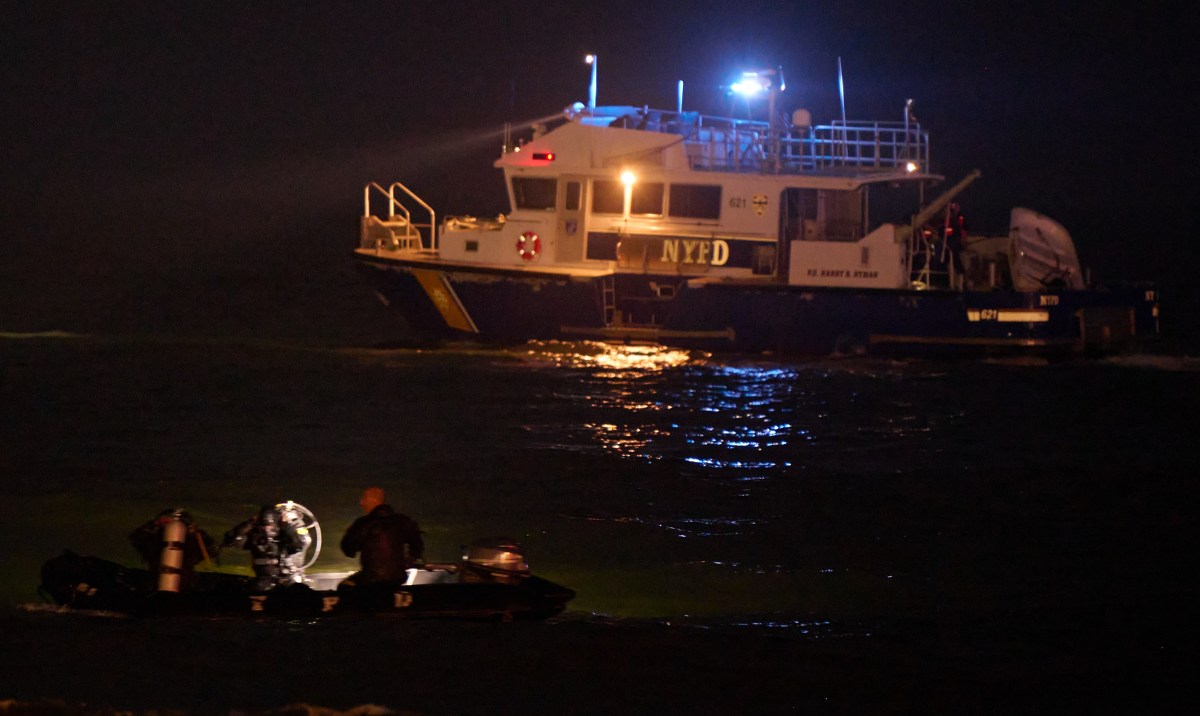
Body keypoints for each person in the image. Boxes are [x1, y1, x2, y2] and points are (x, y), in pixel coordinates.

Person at [339, 487, 424, 589]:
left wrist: (352, 534)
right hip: (397, 577)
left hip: (370, 578)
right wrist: (407, 562)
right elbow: (417, 546)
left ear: (372, 501)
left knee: (344, 587)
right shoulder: (404, 521)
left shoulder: (363, 523)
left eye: (364, 499)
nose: (361, 503)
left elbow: (348, 550)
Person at [129, 507, 217, 592]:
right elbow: (211, 550)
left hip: (158, 587)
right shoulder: (192, 542)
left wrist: (154, 524)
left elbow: (136, 538)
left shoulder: (153, 541)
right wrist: (196, 531)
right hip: (183, 587)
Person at [222, 504, 305, 592]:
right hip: (262, 581)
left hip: (287, 578)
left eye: (271, 527)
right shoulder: (255, 537)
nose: (266, 530)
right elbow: (230, 541)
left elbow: (298, 545)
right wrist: (247, 525)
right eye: (263, 526)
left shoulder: (284, 535)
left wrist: (287, 526)